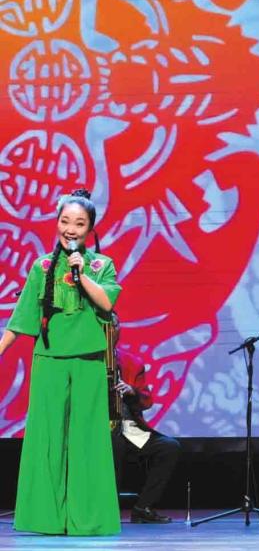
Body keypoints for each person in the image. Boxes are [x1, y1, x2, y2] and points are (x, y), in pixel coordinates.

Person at [0, 189, 121, 535]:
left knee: (87, 440)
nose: (71, 229)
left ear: (90, 229)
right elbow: (22, 318)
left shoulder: (101, 265)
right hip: (49, 361)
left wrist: (81, 273)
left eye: (79, 223)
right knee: (47, 439)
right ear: (56, 223)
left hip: (88, 361)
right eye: (65, 221)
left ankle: (88, 519)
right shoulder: (41, 266)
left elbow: (106, 304)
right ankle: (45, 518)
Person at [111, 330, 181, 524]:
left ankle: (143, 508)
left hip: (128, 428)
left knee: (168, 447)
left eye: (114, 326)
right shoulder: (85, 361)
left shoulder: (131, 362)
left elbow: (147, 400)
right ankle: (108, 509)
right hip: (96, 429)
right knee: (114, 443)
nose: (110, 331)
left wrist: (131, 391)